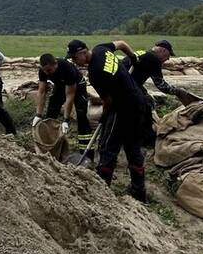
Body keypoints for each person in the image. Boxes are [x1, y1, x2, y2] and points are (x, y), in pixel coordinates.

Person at [68, 38, 148, 202]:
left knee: (107, 147)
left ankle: (102, 194)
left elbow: (108, 102)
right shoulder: (101, 49)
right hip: (138, 102)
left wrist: (104, 116)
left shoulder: (95, 73)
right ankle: (139, 192)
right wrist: (132, 57)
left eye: (75, 58)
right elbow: (122, 44)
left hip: (123, 109)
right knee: (133, 147)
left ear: (83, 52)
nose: (74, 62)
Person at [120, 39, 178, 146]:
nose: (168, 59)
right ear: (163, 51)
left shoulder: (144, 53)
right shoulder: (154, 59)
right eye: (168, 56)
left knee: (147, 99)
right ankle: (146, 140)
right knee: (144, 107)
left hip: (124, 82)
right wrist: (176, 91)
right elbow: (160, 84)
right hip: (125, 87)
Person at [34, 53, 92, 159]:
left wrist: (66, 120)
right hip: (60, 85)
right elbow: (41, 92)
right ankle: (52, 150)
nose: (47, 73)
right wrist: (38, 114)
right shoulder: (43, 71)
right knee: (50, 114)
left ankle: (87, 154)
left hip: (77, 86)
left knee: (81, 116)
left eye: (49, 70)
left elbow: (69, 96)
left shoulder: (67, 68)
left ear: (55, 64)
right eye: (45, 71)